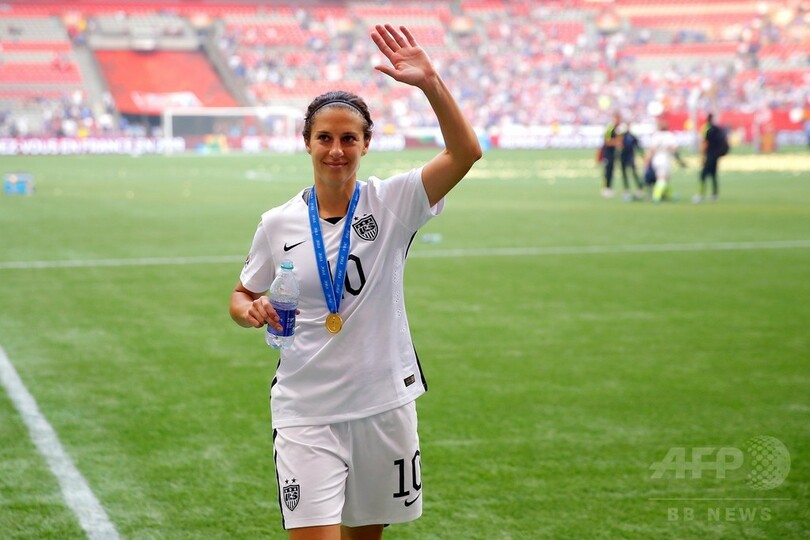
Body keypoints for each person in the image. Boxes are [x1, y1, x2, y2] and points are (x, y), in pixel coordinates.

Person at [229, 24, 482, 540]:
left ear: (367, 143)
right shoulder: (278, 223)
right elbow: (242, 294)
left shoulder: (393, 202)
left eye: (349, 138)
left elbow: (465, 153)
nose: (336, 150)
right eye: (325, 137)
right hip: (305, 411)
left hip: (381, 406)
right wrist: (249, 311)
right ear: (306, 142)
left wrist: (431, 83)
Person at [643, 116, 686, 203]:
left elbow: (651, 150)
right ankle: (656, 196)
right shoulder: (669, 136)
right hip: (664, 159)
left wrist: (646, 161)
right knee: (662, 179)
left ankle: (669, 195)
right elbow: (673, 148)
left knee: (663, 179)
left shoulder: (656, 136)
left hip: (656, 159)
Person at [694, 113, 723, 203]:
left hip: (709, 155)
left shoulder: (706, 128)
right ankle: (715, 194)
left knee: (703, 175)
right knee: (713, 175)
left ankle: (701, 194)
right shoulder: (717, 129)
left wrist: (702, 156)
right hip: (716, 155)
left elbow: (704, 143)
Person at [619, 123, 644, 200]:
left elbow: (637, 145)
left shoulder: (632, 136)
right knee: (624, 173)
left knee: (634, 172)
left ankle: (639, 187)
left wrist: (641, 154)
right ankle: (626, 188)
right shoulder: (621, 136)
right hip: (623, 156)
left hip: (630, 156)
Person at [600, 111, 623, 197]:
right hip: (607, 153)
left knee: (611, 170)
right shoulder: (610, 128)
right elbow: (607, 141)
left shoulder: (617, 129)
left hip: (613, 153)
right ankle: (606, 188)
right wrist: (616, 143)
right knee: (608, 170)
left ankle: (609, 188)